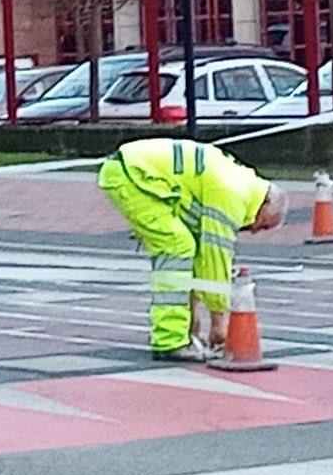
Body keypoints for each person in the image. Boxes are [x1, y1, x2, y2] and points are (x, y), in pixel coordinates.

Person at [98, 138, 288, 362]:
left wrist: (195, 315)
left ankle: (181, 331)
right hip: (135, 175)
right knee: (176, 247)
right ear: (264, 205)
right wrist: (219, 321)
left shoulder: (243, 183)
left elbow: (201, 255)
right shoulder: (233, 196)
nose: (255, 231)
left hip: (137, 172)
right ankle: (169, 341)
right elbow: (214, 256)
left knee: (184, 246)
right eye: (263, 224)